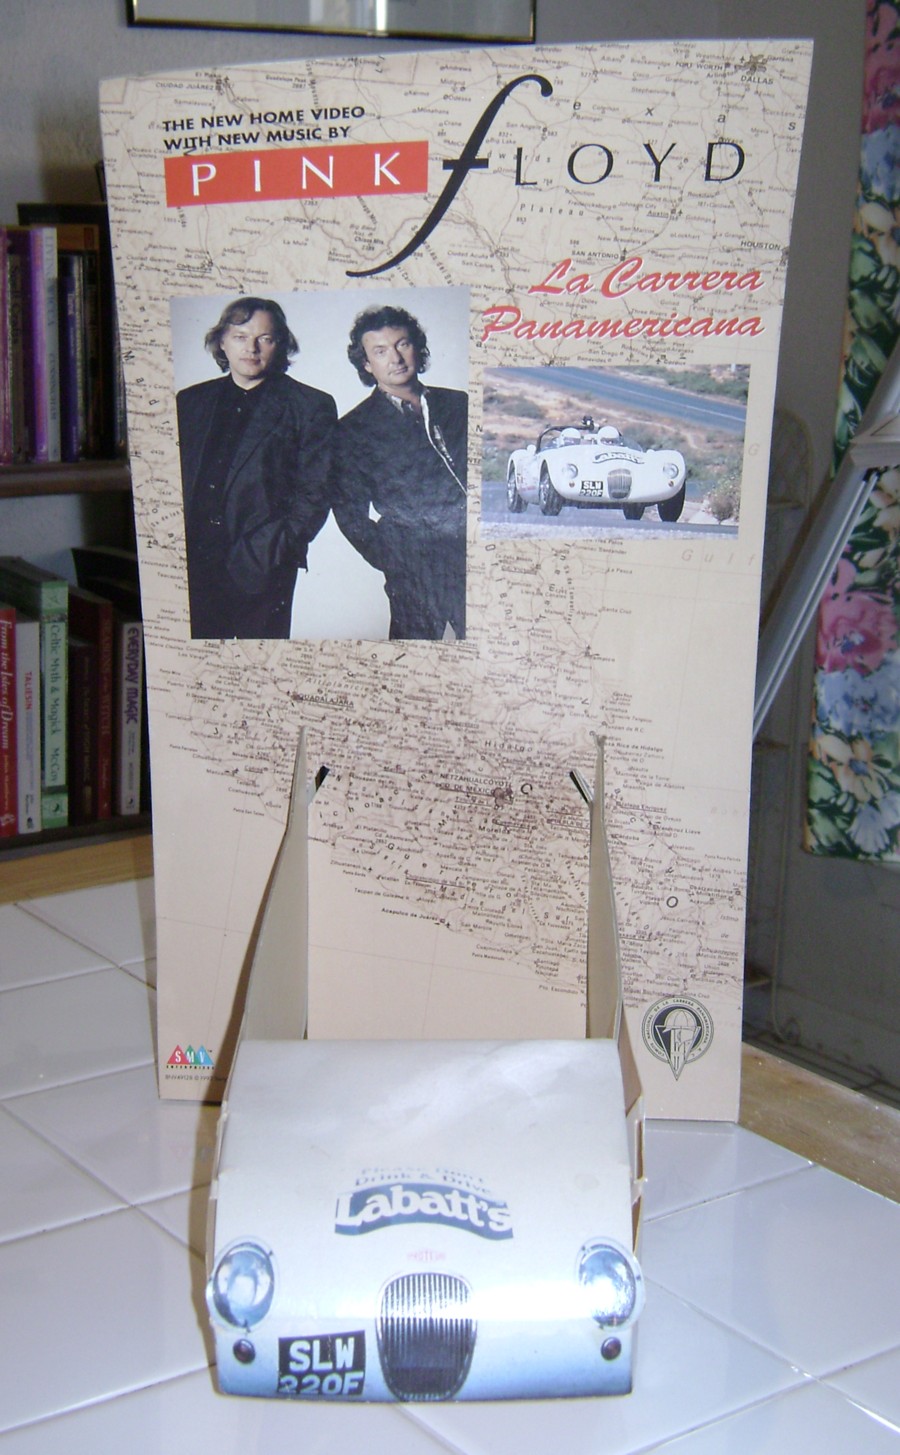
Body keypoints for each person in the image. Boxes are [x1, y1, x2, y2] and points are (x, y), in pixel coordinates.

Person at [176, 296, 337, 638]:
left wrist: (272, 551)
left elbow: (316, 493)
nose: (251, 348)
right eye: (240, 337)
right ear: (222, 341)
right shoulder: (189, 401)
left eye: (265, 338)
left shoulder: (311, 405)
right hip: (192, 563)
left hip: (263, 564)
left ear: (281, 344)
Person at [332, 305, 468, 641]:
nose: (395, 358)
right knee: (411, 662)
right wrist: (393, 558)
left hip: (471, 554)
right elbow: (349, 513)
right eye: (380, 351)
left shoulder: (459, 403)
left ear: (417, 348)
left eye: (402, 344)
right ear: (366, 364)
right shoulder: (353, 428)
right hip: (413, 568)